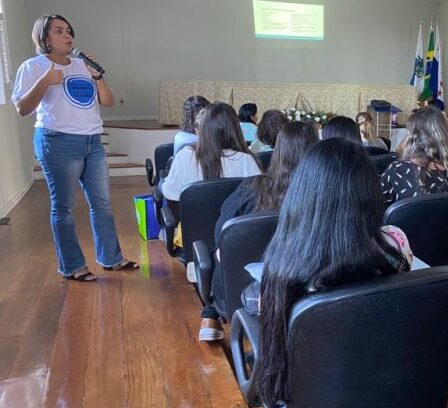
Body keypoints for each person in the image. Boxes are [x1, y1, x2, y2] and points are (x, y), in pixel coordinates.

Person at [242, 138, 413, 408]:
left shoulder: (282, 261)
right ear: (370, 193)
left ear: (302, 194)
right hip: (383, 382)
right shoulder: (397, 243)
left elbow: (276, 339)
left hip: (314, 399)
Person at [11, 14, 138, 281]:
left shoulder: (82, 65)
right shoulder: (33, 66)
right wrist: (45, 80)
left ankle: (111, 258)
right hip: (58, 142)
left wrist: (99, 76)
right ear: (44, 38)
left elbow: (108, 101)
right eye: (59, 31)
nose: (67, 36)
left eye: (69, 31)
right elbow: (22, 108)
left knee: (102, 204)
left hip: (92, 141)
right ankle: (72, 265)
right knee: (64, 207)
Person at [200, 121, 319, 341]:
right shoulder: (322, 197)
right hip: (304, 294)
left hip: (238, 290)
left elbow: (222, 236)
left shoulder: (251, 188)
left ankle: (210, 314)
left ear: (278, 151)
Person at [161, 102, 262, 201]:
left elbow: (170, 193)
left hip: (194, 217)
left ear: (202, 129)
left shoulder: (184, 156)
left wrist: (161, 183)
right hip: (232, 217)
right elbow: (258, 196)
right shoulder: (246, 160)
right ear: (235, 129)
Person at [381, 106, 448, 204]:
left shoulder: (397, 169)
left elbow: (379, 207)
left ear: (412, 137)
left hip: (410, 219)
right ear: (445, 134)